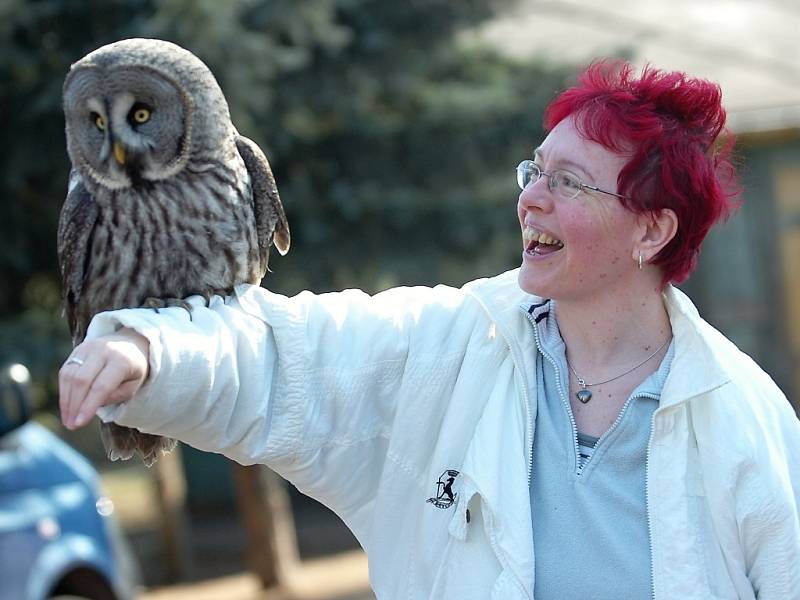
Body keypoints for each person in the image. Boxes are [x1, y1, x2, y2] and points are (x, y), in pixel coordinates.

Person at [59, 60, 800, 599]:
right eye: (533, 172)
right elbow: (284, 357)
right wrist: (148, 349)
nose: (531, 201)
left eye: (567, 183)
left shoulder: (743, 418)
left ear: (651, 231)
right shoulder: (452, 343)